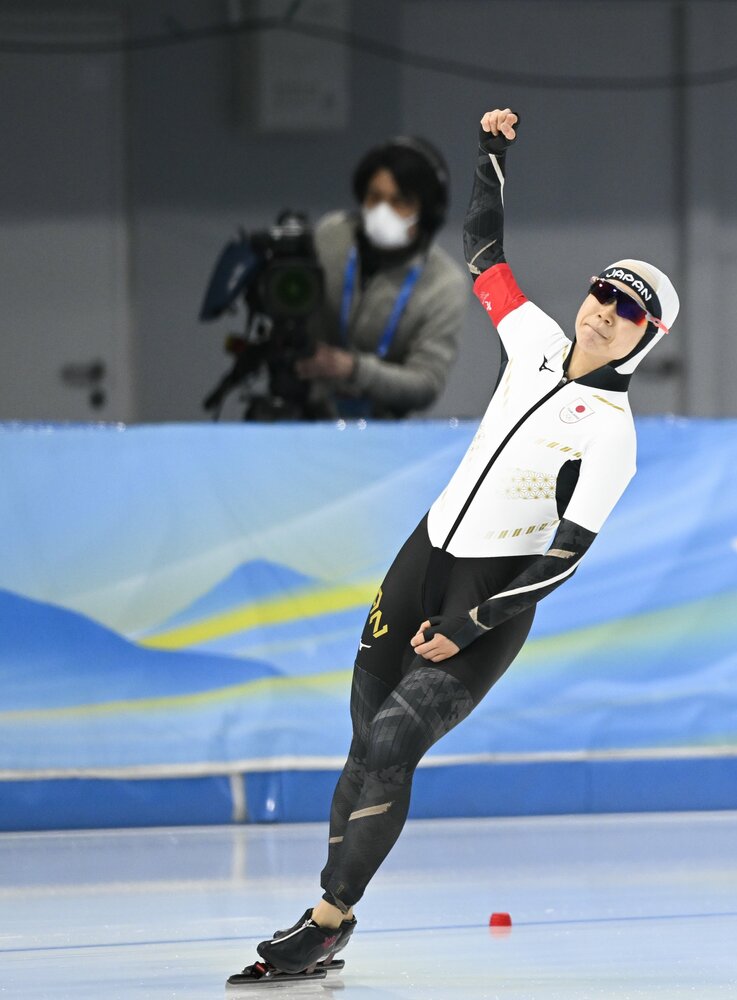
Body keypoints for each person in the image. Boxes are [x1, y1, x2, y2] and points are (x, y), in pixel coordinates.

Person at [232, 105, 680, 984]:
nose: (604, 311)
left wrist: (472, 621)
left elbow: (566, 554)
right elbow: (483, 252)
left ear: (647, 336)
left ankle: (328, 916)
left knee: (396, 743)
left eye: (627, 310)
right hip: (422, 558)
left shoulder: (613, 433)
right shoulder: (536, 340)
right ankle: (327, 922)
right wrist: (491, 157)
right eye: (602, 290)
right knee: (362, 741)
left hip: (485, 600)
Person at [296, 135, 469, 419]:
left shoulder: (444, 284)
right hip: (307, 414)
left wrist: (352, 369)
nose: (382, 211)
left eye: (399, 201)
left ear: (427, 213)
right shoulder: (331, 237)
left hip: (384, 431)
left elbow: (425, 384)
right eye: (374, 197)